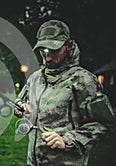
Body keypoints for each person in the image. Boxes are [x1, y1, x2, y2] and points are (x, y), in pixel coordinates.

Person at [14, 19, 116, 165]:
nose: (47, 57)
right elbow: (19, 101)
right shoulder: (35, 78)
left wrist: (68, 140)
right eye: (43, 51)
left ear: (68, 46)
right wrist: (21, 108)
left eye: (54, 50)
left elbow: (105, 123)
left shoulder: (83, 80)